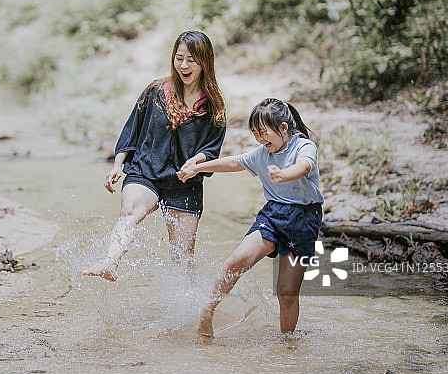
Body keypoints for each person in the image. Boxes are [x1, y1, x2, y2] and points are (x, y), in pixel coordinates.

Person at [83, 30, 227, 282]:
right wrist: (118, 165)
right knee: (130, 211)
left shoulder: (213, 107)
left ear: (205, 62)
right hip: (145, 172)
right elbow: (132, 130)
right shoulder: (156, 91)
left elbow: (211, 150)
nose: (183, 65)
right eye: (178, 57)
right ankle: (109, 263)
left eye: (191, 60)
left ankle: (187, 313)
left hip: (185, 182)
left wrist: (195, 163)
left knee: (182, 258)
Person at [177, 98, 322, 338]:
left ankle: (286, 343)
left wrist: (284, 175)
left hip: (303, 219)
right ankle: (207, 311)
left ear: (283, 128)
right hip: (274, 213)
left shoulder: (303, 147)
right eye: (255, 133)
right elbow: (235, 162)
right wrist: (198, 168)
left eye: (263, 133)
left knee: (286, 292)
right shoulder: (262, 153)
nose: (260, 139)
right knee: (238, 259)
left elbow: (304, 167)